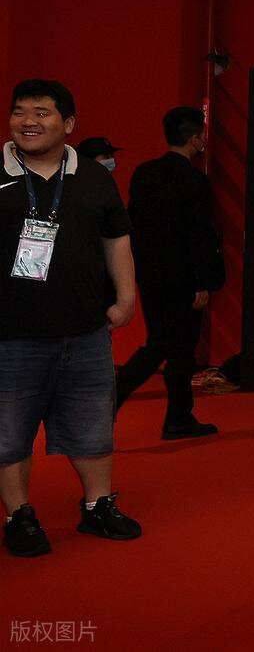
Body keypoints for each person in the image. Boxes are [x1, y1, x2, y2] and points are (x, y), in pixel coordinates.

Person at [1, 79, 141, 558]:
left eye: (41, 112)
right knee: (8, 433)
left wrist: (126, 297)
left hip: (85, 330)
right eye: (20, 111)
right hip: (10, 334)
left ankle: (98, 505)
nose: (28, 121)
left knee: (93, 425)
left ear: (68, 123)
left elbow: (116, 238)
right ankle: (18, 515)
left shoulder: (94, 176)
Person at [115, 106, 223, 440]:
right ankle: (117, 397)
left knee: (169, 345)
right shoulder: (195, 181)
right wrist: (203, 281)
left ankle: (179, 416)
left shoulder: (144, 173)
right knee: (174, 346)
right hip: (185, 277)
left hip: (150, 273)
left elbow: (134, 223)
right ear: (195, 139)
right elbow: (199, 235)